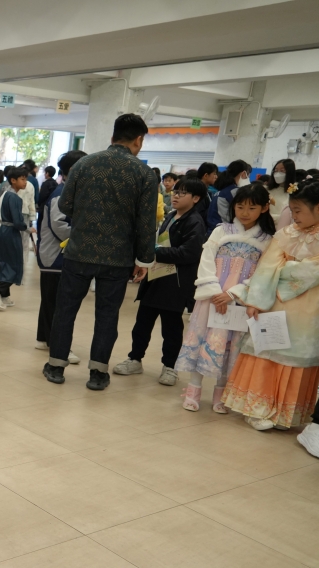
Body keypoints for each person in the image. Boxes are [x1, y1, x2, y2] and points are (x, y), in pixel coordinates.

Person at [43, 114, 158, 390]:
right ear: (139, 140)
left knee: (65, 310)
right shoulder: (143, 173)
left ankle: (56, 366)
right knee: (107, 315)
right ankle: (98, 373)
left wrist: (87, 219)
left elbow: (65, 204)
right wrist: (144, 260)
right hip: (117, 258)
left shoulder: (84, 164)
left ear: (113, 136)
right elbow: (146, 222)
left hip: (79, 252)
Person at [221, 181, 319, 432]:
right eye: (292, 211)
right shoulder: (287, 233)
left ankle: (285, 414)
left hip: (312, 309)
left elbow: (316, 270)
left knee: (297, 356)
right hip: (275, 302)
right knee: (268, 350)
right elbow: (267, 266)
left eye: (298, 211)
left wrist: (281, 270)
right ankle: (257, 409)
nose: (294, 217)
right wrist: (258, 299)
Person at [174, 183, 274, 412]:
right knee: (202, 340)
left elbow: (264, 272)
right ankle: (193, 390)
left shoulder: (268, 239)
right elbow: (206, 260)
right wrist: (214, 290)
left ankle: (221, 394)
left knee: (231, 346)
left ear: (264, 208)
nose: (245, 212)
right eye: (240, 207)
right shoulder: (221, 231)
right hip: (212, 297)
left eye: (251, 208)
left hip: (238, 301)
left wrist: (233, 293)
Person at [112, 179, 208, 385]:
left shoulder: (195, 222)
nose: (176, 196)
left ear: (196, 198)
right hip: (156, 279)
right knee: (142, 324)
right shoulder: (172, 216)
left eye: (182, 193)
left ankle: (170, 367)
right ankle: (135, 359)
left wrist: (155, 252)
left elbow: (189, 253)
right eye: (175, 192)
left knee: (171, 328)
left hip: (175, 284)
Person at [35, 150, 85, 360]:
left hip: (55, 255)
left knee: (50, 300)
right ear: (73, 170)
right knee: (58, 303)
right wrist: (84, 236)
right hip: (55, 256)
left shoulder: (68, 191)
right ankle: (57, 345)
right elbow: (60, 226)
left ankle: (44, 338)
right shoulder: (61, 194)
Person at [0, 167, 29, 309]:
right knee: (14, 263)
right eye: (22, 179)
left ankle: (4, 295)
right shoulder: (14, 198)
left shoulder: (5, 193)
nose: (25, 182)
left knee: (7, 262)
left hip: (4, 230)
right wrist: (27, 228)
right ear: (13, 180)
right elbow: (18, 221)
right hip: (10, 232)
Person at [206, 160, 250, 229]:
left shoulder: (224, 190)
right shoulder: (234, 192)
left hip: (213, 228)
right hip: (223, 230)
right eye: (247, 175)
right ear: (243, 173)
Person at [267, 158, 296, 223]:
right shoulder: (267, 189)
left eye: (282, 171)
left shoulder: (294, 191)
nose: (277, 174)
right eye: (276, 170)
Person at [36, 165, 57, 229]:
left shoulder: (45, 183)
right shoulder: (56, 183)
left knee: (40, 224)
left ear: (47, 173)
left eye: (45, 172)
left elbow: (42, 196)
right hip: (53, 206)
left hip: (43, 207)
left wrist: (38, 204)